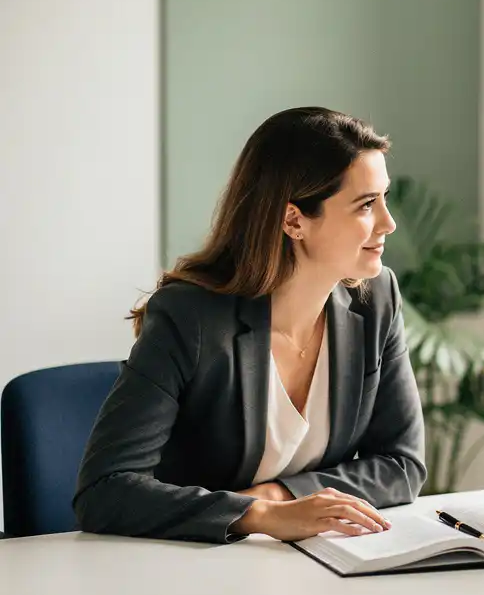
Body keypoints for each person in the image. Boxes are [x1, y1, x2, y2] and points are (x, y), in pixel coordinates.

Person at [74, 107, 426, 544]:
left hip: (312, 565)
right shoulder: (190, 317)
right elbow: (104, 491)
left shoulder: (376, 300)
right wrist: (256, 515)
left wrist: (280, 496)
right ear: (294, 219)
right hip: (185, 570)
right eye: (366, 205)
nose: (388, 223)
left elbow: (401, 464)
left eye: (384, 198)